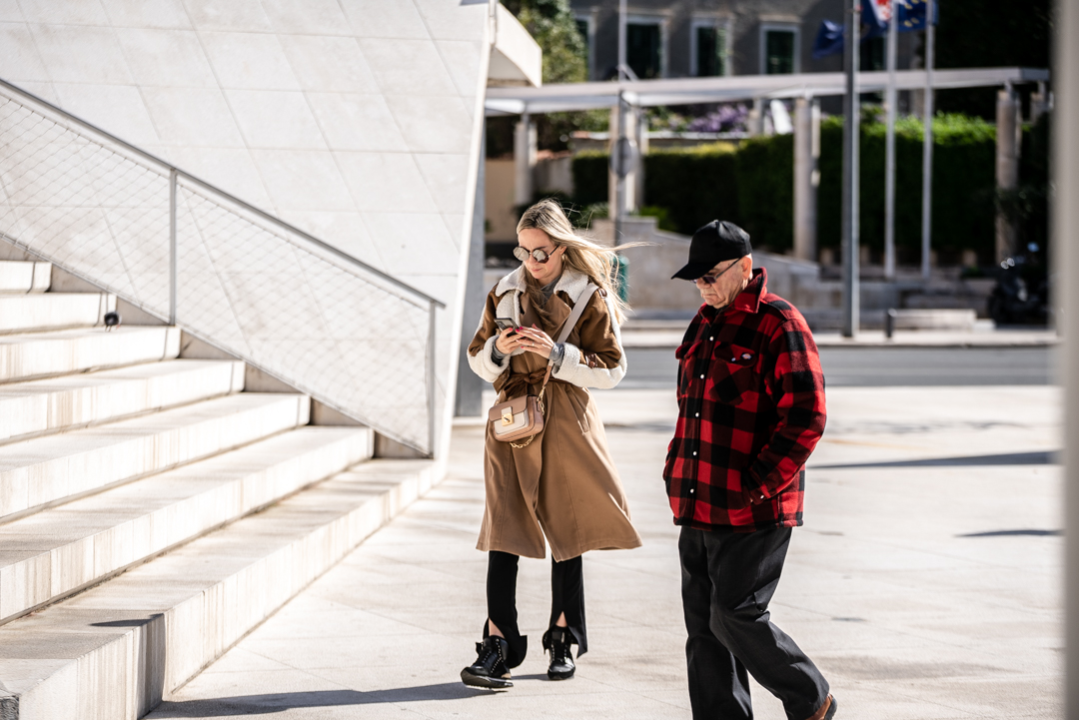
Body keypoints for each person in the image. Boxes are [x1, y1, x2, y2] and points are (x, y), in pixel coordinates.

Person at [461, 199, 642, 690]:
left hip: (564, 418)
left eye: (540, 252)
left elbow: (612, 369)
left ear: (561, 248)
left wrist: (558, 353)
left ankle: (564, 637)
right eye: (523, 251)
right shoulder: (503, 292)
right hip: (513, 419)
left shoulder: (588, 294)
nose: (530, 261)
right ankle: (498, 643)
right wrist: (499, 350)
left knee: (569, 528)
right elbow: (477, 358)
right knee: (504, 528)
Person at [664, 220, 836, 720]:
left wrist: (756, 485)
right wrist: (677, 471)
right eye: (696, 279)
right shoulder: (703, 322)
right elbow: (690, 409)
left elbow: (807, 415)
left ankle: (810, 697)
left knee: (734, 615)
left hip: (755, 506)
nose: (704, 286)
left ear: (744, 267)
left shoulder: (779, 322)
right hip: (698, 500)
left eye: (712, 275)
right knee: (703, 628)